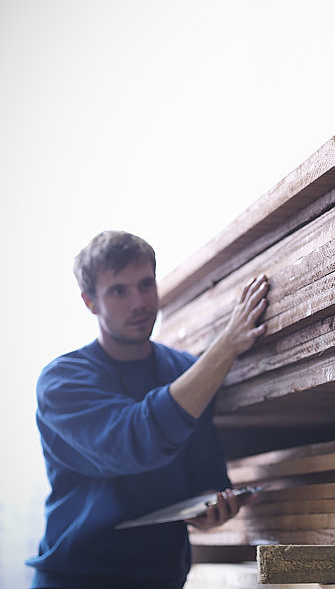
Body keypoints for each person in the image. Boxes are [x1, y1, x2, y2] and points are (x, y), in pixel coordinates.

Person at [26, 230, 269, 588]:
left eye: (145, 284)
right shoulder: (61, 382)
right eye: (119, 291)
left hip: (162, 579)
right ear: (90, 302)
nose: (139, 303)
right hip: (76, 579)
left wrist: (209, 505)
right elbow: (136, 440)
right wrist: (225, 347)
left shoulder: (186, 372)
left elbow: (205, 470)